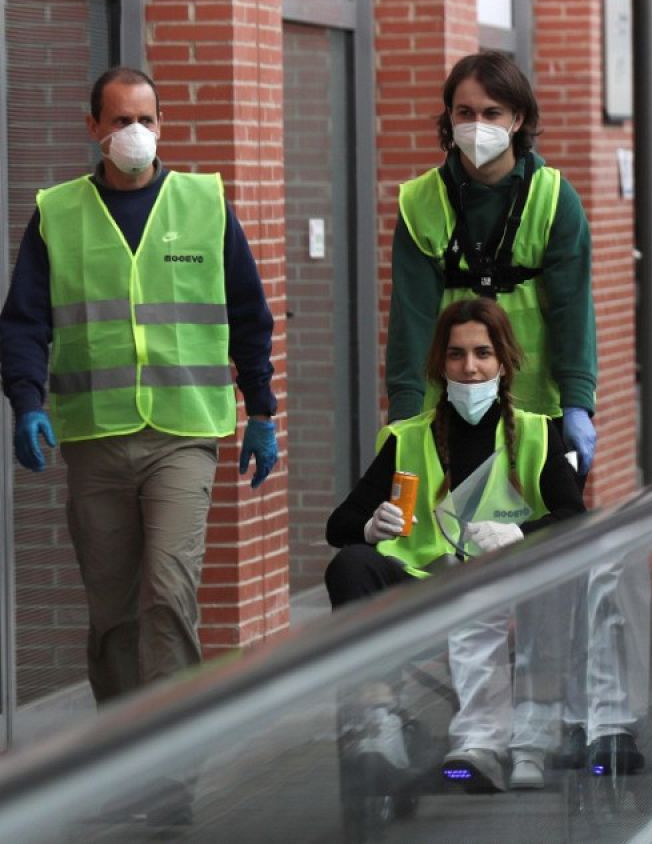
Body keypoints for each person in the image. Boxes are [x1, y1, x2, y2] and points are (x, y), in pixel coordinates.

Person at [0, 66, 279, 711]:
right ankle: (123, 752)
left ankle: (173, 768)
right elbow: (23, 323)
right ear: (92, 126)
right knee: (113, 610)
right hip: (95, 437)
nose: (134, 133)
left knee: (168, 590)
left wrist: (262, 408)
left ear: (162, 126)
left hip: (183, 434)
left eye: (146, 121)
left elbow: (248, 312)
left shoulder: (204, 204)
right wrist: (26, 402)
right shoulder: (57, 214)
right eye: (121, 120)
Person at [324, 297, 585, 792]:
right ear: (440, 365)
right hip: (427, 583)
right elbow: (339, 524)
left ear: (503, 362)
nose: (470, 367)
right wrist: (370, 527)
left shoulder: (536, 434)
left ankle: (509, 739)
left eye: (482, 353)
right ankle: (377, 720)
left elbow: (575, 516)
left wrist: (518, 535)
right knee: (351, 565)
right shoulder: (407, 438)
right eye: (456, 355)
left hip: (507, 583)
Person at [385, 50, 597, 472]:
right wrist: (403, 415)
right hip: (443, 408)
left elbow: (573, 310)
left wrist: (578, 403)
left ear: (516, 120)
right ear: (449, 117)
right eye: (464, 112)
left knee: (541, 535)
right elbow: (410, 320)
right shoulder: (420, 202)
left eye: (491, 112)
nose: (477, 125)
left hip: (534, 408)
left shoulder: (554, 199)